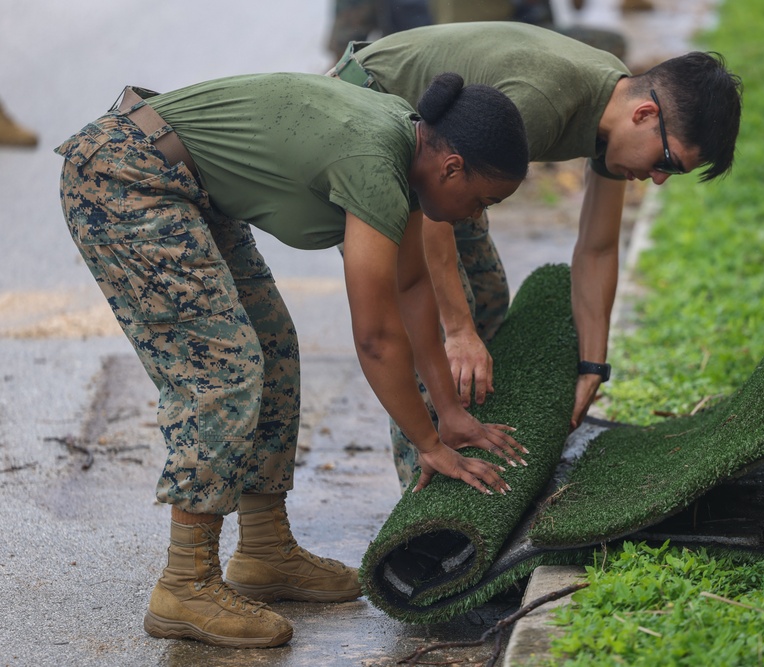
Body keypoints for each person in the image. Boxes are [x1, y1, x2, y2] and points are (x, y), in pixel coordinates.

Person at [54, 71, 529, 648]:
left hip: (185, 185)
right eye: (483, 201)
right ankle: (185, 581)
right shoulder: (376, 160)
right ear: (452, 166)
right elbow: (376, 336)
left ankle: (264, 550)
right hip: (126, 177)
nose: (475, 217)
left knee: (272, 349)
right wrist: (427, 443)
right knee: (222, 372)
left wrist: (448, 412)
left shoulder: (407, 152)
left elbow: (410, 289)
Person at [330, 21, 743, 490]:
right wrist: (458, 330)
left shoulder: (612, 107)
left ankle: (474, 460)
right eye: (667, 162)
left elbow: (599, 246)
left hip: (437, 154)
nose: (660, 179)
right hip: (365, 129)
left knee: (486, 298)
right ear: (646, 114)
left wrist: (592, 365)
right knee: (439, 334)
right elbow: (428, 206)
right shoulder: (539, 104)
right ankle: (429, 505)